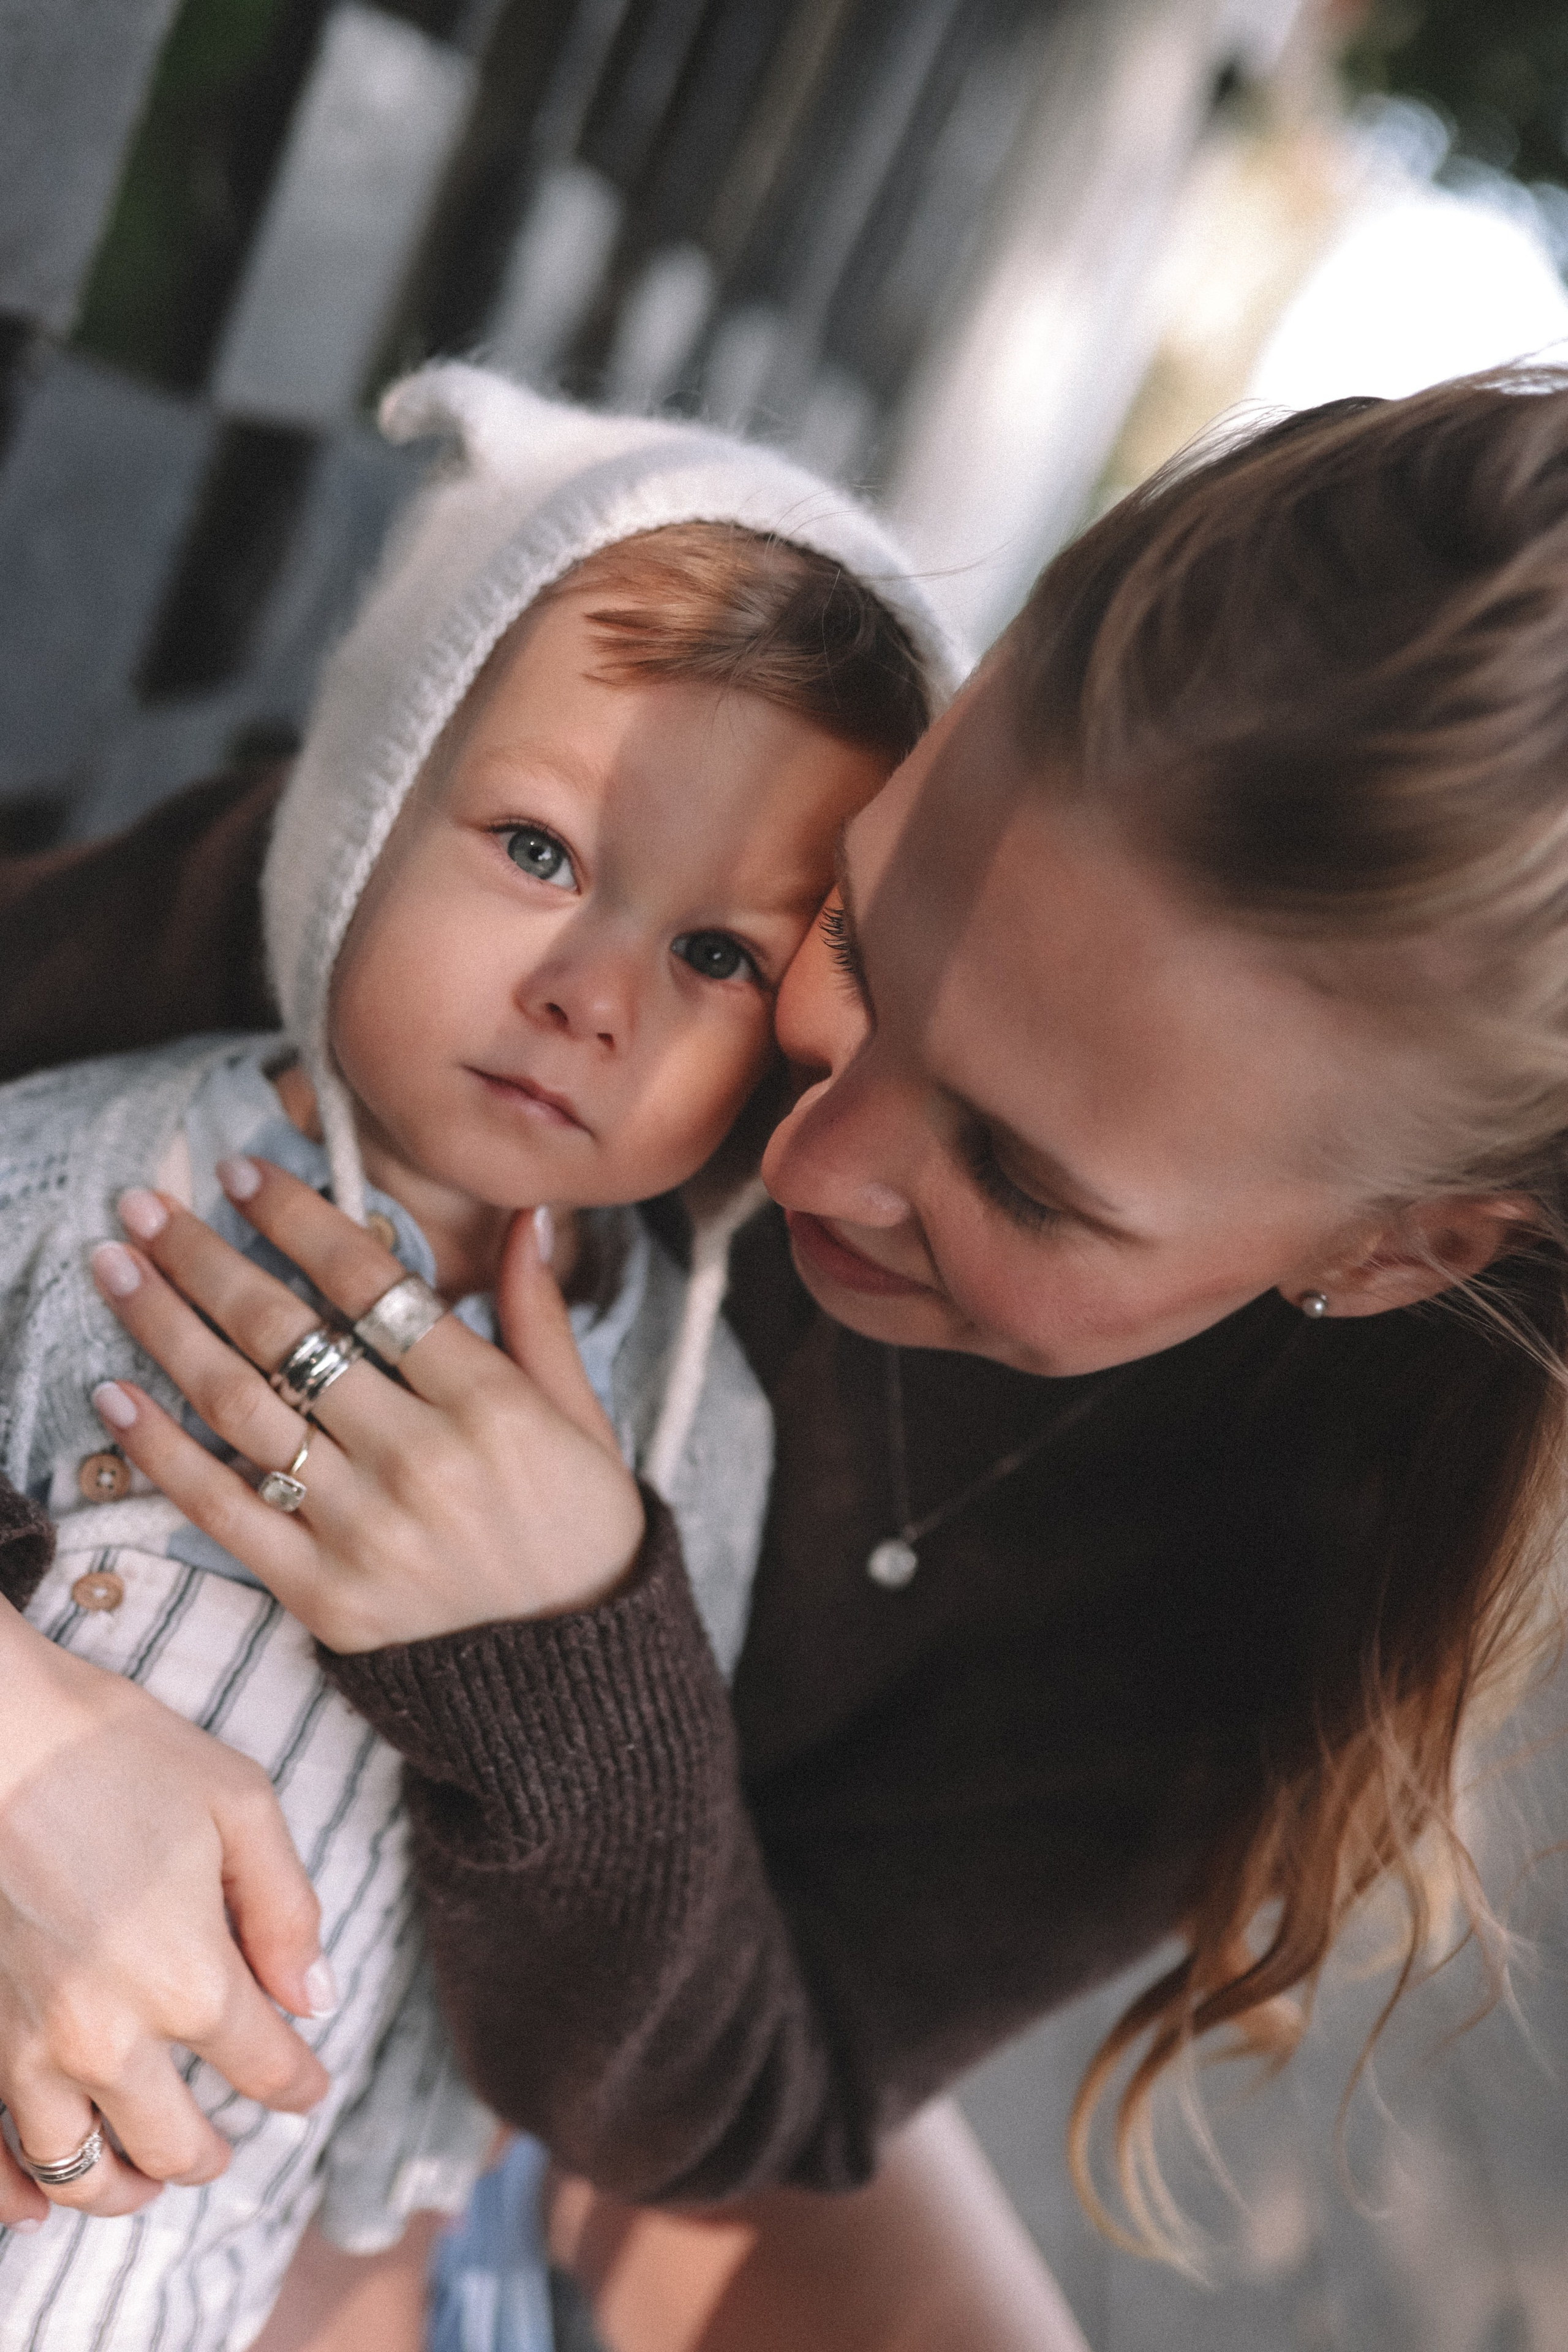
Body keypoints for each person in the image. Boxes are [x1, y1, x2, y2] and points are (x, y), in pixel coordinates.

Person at [1, 366, 1564, 2300]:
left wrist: (563, 1650)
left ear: (1408, 1250)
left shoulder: (1273, 1574)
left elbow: (764, 2105)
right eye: (855, 943)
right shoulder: (570, 887)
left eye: (1017, 1173)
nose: (817, 1157)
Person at [0, 361, 962, 2348]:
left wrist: (349, 2284)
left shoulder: (690, 1455)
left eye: (718, 956)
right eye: (537, 849)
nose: (592, 994)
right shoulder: (80, 1181)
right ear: (368, 796)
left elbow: (474, 1996)